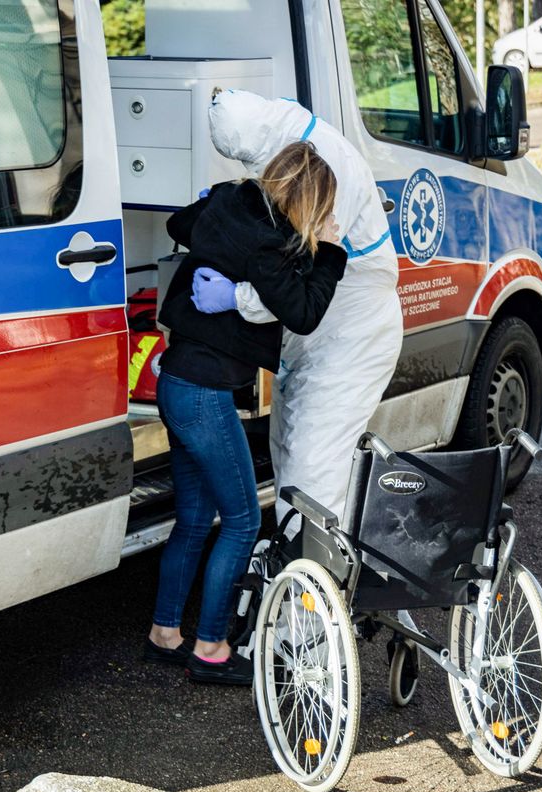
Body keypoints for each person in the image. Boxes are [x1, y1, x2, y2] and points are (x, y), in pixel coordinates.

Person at [145, 142, 346, 685]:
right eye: (322, 208)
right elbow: (304, 313)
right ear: (306, 198)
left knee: (192, 520)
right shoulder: (273, 245)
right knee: (241, 520)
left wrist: (210, 201)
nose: (324, 219)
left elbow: (180, 224)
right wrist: (329, 251)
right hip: (205, 394)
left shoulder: (233, 201)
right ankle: (210, 648)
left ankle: (166, 633)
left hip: (177, 382)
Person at [197, 90, 403, 527]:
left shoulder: (328, 172)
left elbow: (291, 295)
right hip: (319, 337)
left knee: (314, 470)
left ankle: (309, 589)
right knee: (290, 454)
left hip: (353, 337)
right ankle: (297, 578)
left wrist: (234, 297)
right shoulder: (295, 147)